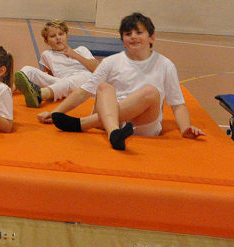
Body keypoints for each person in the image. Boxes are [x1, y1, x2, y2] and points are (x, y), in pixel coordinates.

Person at [41, 12, 205, 151]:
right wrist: (56, 113)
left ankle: (84, 123)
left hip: (143, 124)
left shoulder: (165, 65)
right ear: (122, 39)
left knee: (151, 92)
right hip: (112, 120)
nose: (133, 37)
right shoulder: (111, 62)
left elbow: (178, 105)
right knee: (104, 87)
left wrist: (185, 128)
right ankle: (114, 133)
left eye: (139, 33)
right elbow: (84, 92)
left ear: (151, 37)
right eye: (128, 34)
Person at [13, 19, 98, 108]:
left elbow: (96, 69)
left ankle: (40, 94)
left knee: (83, 76)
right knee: (28, 69)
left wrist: (74, 55)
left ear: (67, 36)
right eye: (53, 36)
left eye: (61, 34)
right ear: (46, 41)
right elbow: (49, 76)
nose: (58, 38)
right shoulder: (47, 54)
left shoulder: (81, 49)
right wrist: (42, 78)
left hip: (83, 83)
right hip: (62, 82)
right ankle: (9, 89)